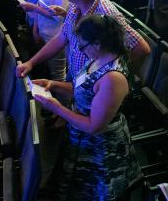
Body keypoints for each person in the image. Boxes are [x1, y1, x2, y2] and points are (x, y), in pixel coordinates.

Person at [31, 14, 141, 200]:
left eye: (82, 46)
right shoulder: (97, 58)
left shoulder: (113, 78)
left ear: (97, 43)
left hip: (101, 151)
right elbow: (82, 90)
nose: (81, 51)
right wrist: (53, 84)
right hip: (81, 138)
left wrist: (57, 108)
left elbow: (94, 126)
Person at [17, 0, 150, 80]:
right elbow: (61, 38)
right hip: (75, 77)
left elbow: (142, 49)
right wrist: (31, 63)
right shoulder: (75, 6)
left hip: (93, 90)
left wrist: (117, 79)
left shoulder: (106, 14)